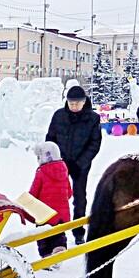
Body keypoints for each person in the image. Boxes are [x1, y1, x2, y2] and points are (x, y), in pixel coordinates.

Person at [46, 85, 102, 245]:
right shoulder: (59, 116)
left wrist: (81, 163)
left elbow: (94, 143)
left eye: (77, 103)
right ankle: (56, 229)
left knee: (79, 198)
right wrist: (53, 160)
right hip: (60, 163)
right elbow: (50, 138)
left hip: (80, 165)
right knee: (56, 196)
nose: (74, 106)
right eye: (71, 103)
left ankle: (78, 232)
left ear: (84, 102)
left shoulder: (93, 118)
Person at [29, 142, 72, 263]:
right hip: (61, 214)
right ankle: (59, 248)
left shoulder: (41, 171)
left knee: (43, 235)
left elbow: (34, 193)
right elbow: (69, 193)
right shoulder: (64, 170)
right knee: (59, 233)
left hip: (44, 213)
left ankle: (46, 256)